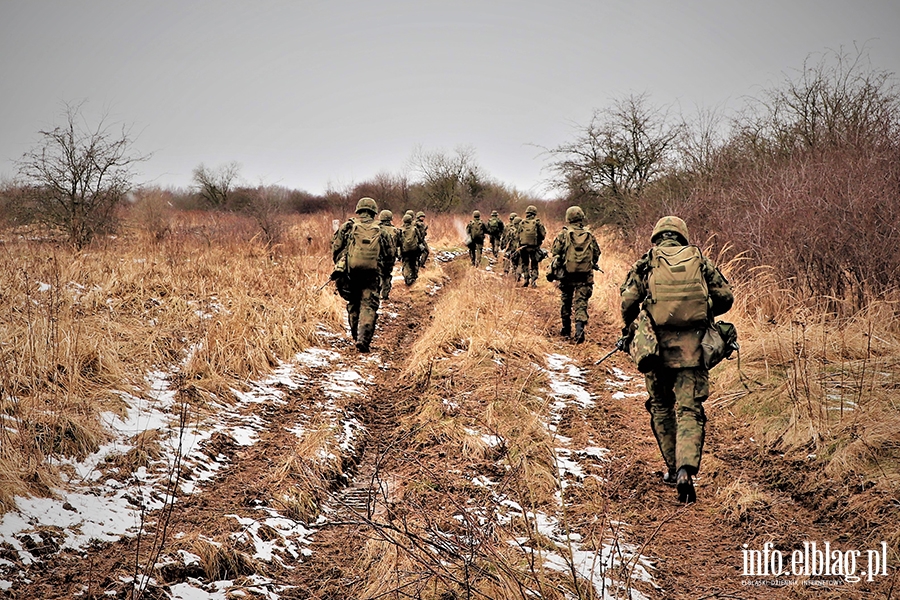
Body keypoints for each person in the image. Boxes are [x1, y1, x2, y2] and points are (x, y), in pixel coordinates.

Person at [620, 216, 733, 503]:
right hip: (694, 350)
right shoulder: (700, 260)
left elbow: (627, 303)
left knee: (660, 406)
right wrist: (703, 310)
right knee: (689, 410)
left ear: (656, 236)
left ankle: (671, 469)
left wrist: (632, 328)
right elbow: (725, 298)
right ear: (682, 236)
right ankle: (686, 470)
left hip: (656, 350)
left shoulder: (646, 263)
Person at [331, 197, 394, 353]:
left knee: (353, 303)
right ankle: (363, 340)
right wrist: (385, 272)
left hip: (351, 273)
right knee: (369, 305)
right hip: (373, 274)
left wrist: (343, 265)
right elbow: (390, 255)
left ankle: (355, 335)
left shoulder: (348, 227)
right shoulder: (382, 230)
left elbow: (336, 249)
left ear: (359, 210)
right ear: (374, 212)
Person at [549, 206, 600, 344]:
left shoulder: (563, 235)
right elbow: (596, 254)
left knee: (566, 300)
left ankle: (566, 329)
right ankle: (579, 331)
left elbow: (555, 253)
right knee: (581, 303)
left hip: (567, 276)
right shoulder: (589, 235)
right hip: (585, 276)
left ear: (568, 218)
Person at [517, 205, 546, 287]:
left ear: (527, 213)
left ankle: (526, 279)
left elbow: (517, 235)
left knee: (525, 263)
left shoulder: (522, 223)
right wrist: (538, 242)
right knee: (534, 264)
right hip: (534, 247)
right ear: (535, 213)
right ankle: (533, 281)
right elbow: (543, 235)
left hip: (523, 247)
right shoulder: (537, 223)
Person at [377, 210, 401, 300]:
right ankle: (385, 294)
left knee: (379, 274)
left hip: (378, 257)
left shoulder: (376, 229)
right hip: (390, 257)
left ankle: (377, 293)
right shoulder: (395, 230)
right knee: (387, 275)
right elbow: (399, 244)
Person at [399, 212, 424, 286]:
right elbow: (419, 238)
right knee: (414, 263)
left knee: (406, 264)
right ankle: (414, 276)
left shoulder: (400, 230)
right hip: (414, 250)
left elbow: (399, 241)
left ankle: (407, 278)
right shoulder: (414, 228)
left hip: (404, 250)